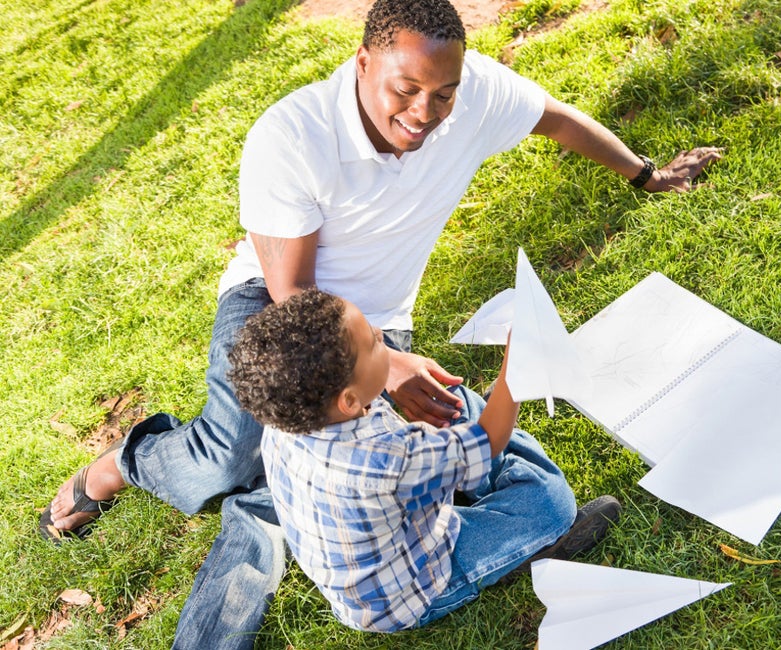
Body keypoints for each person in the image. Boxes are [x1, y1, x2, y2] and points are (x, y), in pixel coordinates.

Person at [39, 0, 721, 646]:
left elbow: (552, 116)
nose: (425, 111)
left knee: (313, 462)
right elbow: (294, 292)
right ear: (363, 61)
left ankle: (304, 504)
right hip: (285, 307)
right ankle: (124, 466)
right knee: (229, 458)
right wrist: (390, 367)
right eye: (406, 89)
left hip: (374, 330)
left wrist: (645, 175)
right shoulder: (292, 136)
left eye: (443, 93)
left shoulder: (466, 92)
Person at [227, 288, 621, 632]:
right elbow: (491, 438)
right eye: (375, 342)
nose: (383, 336)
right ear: (348, 400)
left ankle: (463, 465)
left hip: (374, 555)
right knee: (549, 501)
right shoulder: (388, 458)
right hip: (411, 591)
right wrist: (514, 371)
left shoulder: (286, 419)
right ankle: (528, 546)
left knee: (453, 404)